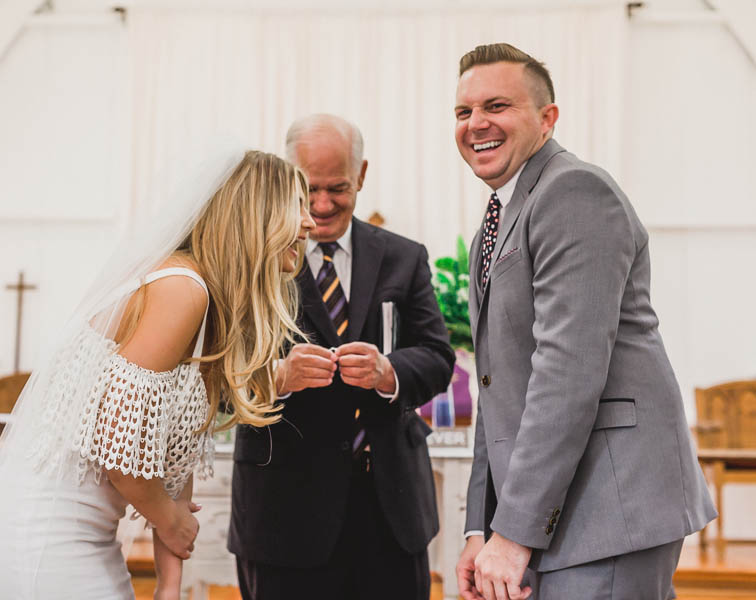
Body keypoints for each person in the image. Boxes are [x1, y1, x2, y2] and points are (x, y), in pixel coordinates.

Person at [0, 148, 315, 600]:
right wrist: (170, 519)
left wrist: (169, 584)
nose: (309, 223)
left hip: (89, 535)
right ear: (255, 214)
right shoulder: (182, 289)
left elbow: (177, 457)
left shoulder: (207, 304)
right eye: (296, 206)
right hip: (44, 533)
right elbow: (117, 442)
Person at [452, 43, 716, 599]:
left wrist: (513, 533)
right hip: (558, 512)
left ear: (547, 118)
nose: (476, 123)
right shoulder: (494, 225)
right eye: (464, 111)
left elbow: (567, 374)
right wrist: (482, 526)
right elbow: (496, 387)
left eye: (496, 106)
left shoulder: (573, 192)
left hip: (608, 507)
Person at [228, 114, 455, 600]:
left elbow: (438, 357)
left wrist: (388, 371)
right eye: (309, 189)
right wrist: (277, 376)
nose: (322, 204)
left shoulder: (403, 257)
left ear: (362, 175)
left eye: (338, 188)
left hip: (390, 510)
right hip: (284, 515)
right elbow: (217, 380)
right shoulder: (252, 258)